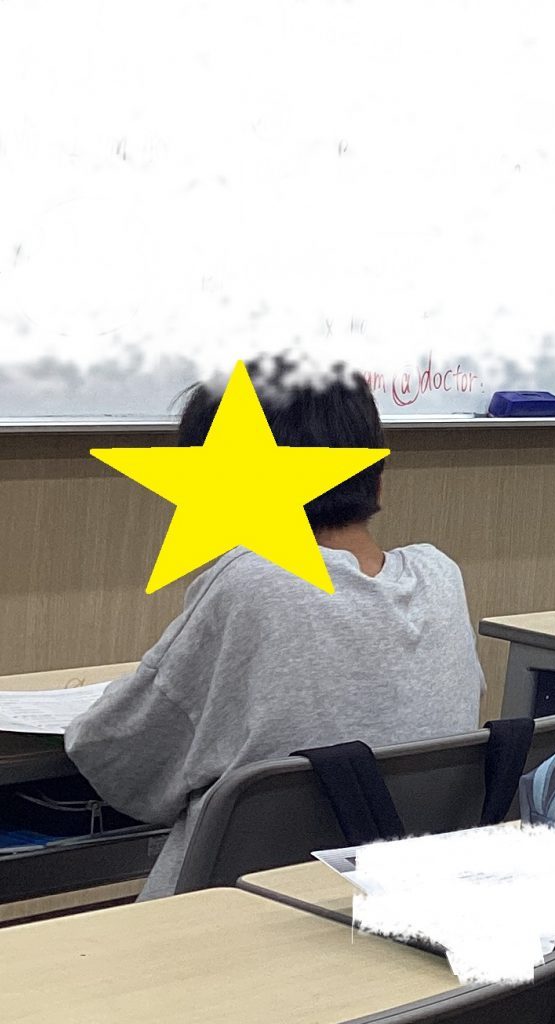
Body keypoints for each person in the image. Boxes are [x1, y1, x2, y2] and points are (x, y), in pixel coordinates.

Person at [66, 355, 483, 899]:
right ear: (378, 481)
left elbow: (120, 763)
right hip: (390, 908)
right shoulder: (441, 576)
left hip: (226, 914)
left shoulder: (253, 582)